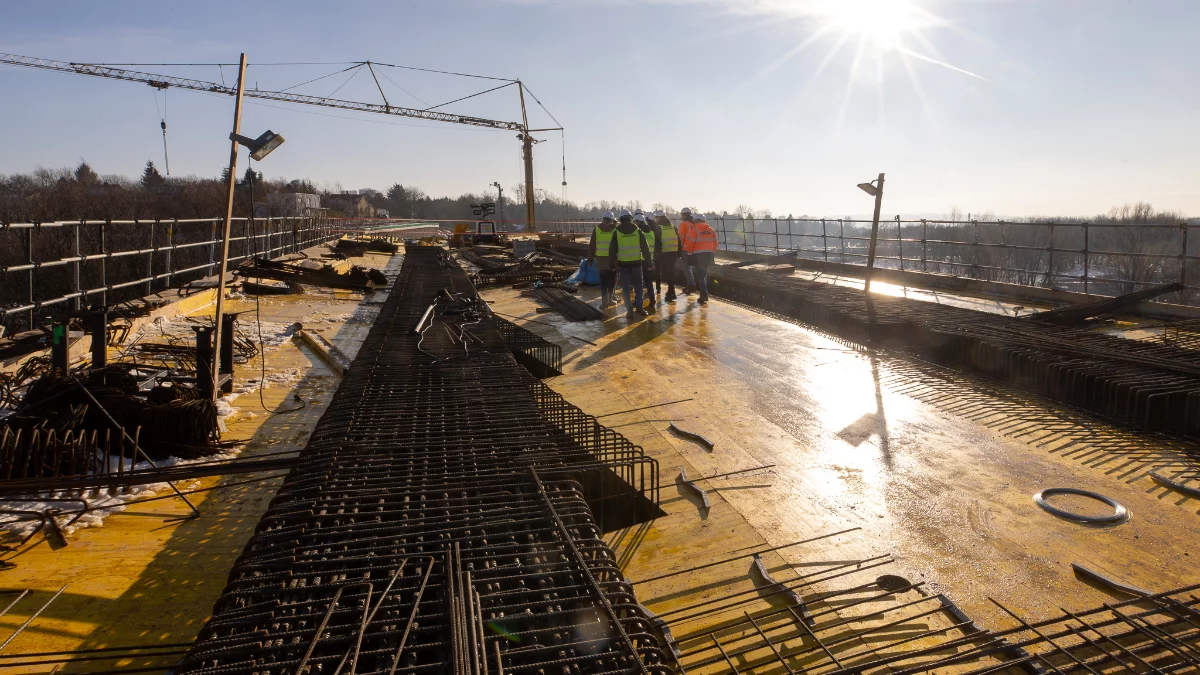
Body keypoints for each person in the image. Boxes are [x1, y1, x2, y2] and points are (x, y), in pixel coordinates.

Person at [608, 210, 653, 318]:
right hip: (637, 263)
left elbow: (612, 250)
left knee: (626, 288)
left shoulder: (616, 231)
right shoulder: (637, 230)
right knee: (638, 285)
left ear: (620, 219)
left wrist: (612, 264)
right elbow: (645, 247)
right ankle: (639, 307)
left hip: (624, 265)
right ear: (629, 218)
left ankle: (629, 310)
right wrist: (649, 261)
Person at [683, 213, 719, 304]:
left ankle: (704, 295)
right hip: (708, 255)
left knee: (700, 276)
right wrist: (712, 252)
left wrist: (689, 254)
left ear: (698, 220)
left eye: (695, 220)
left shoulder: (694, 229)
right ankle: (704, 293)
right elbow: (715, 243)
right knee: (704, 274)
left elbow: (690, 243)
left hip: (698, 255)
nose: (693, 221)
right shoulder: (711, 230)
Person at [588, 211, 618, 307]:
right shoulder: (615, 229)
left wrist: (590, 259)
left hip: (601, 260)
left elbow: (592, 245)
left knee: (604, 282)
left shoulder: (597, 229)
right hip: (612, 260)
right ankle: (610, 300)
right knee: (612, 280)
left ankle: (604, 303)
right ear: (612, 219)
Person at [634, 211, 660, 308]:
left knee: (638, 282)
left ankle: (638, 300)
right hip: (649, 260)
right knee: (648, 281)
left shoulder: (638, 232)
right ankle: (652, 299)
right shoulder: (651, 232)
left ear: (638, 222)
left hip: (639, 260)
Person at [655, 210, 682, 301]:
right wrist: (679, 253)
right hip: (673, 253)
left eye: (656, 217)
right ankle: (671, 291)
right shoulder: (673, 226)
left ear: (659, 218)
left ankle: (671, 291)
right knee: (670, 271)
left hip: (664, 253)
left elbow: (657, 242)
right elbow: (678, 240)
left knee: (666, 273)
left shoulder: (659, 228)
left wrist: (656, 254)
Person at [677, 207, 698, 294]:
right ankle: (692, 284)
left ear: (684, 215)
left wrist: (679, 247)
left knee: (687, 268)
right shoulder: (694, 224)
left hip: (685, 249)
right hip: (694, 249)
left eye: (682, 215)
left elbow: (681, 237)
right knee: (693, 267)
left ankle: (691, 285)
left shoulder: (683, 224)